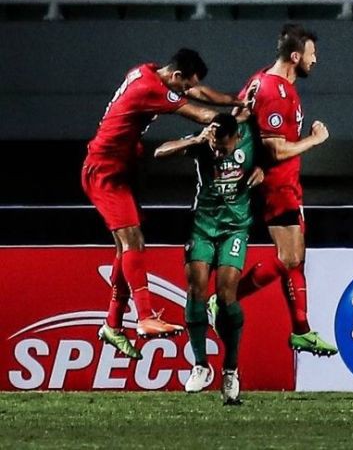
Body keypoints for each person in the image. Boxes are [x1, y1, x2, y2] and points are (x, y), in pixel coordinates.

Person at [83, 49, 240, 360]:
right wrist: (239, 121)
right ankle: (143, 317)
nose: (185, 91)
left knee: (124, 248)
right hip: (105, 170)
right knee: (133, 241)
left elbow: (199, 93)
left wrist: (237, 102)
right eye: (184, 86)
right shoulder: (150, 88)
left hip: (119, 169)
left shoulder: (148, 70)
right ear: (176, 77)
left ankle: (113, 325)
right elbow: (199, 113)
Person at [225, 23, 337, 356]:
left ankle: (302, 329)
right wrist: (314, 140)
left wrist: (250, 159)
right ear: (295, 56)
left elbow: (239, 119)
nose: (315, 61)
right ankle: (226, 298)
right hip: (278, 185)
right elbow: (275, 148)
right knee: (289, 258)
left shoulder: (260, 80)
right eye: (312, 55)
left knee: (296, 261)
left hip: (281, 182)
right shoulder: (276, 91)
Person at [155, 112, 262, 405]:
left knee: (227, 294)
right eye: (214, 145)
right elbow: (159, 151)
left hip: (235, 227)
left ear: (237, 139)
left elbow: (275, 157)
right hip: (201, 225)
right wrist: (198, 139)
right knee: (196, 288)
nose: (217, 152)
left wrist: (263, 170)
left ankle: (231, 370)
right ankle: (201, 365)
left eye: (223, 148)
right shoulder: (204, 142)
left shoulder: (250, 137)